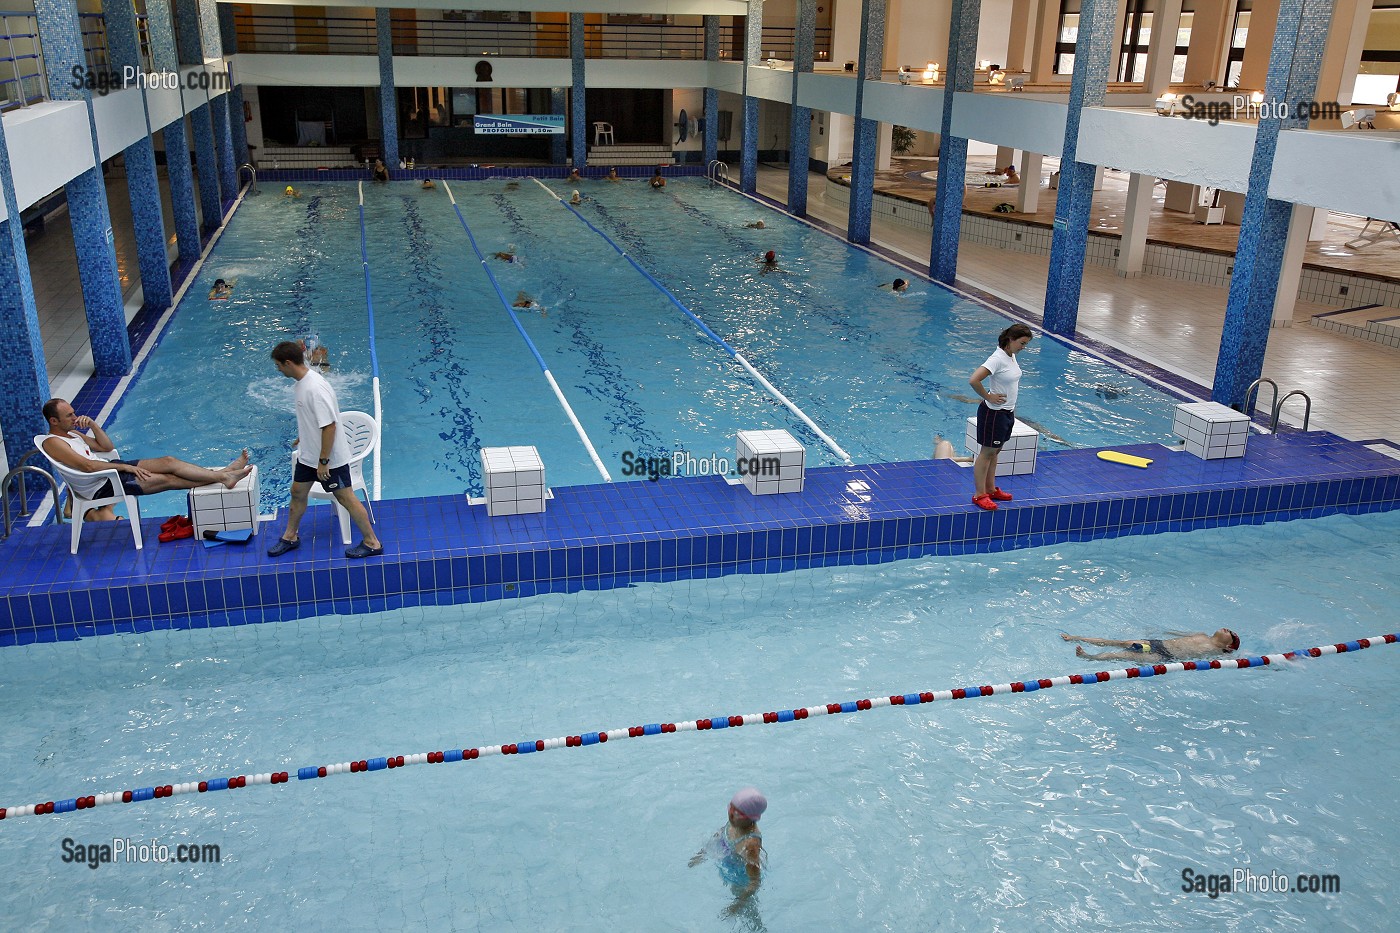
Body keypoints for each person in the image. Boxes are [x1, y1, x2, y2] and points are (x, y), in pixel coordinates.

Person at [40, 399, 252, 525]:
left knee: (169, 461)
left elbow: (105, 447)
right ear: (54, 421)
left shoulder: (73, 434)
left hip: (110, 473)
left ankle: (225, 474)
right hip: (102, 485)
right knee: (169, 479)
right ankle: (225, 476)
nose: (75, 417)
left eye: (74, 413)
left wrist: (93, 425)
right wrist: (124, 466)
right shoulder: (53, 442)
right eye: (69, 415)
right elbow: (88, 466)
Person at [268, 342, 384, 559]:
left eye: (278, 366)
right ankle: (290, 536)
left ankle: (372, 542)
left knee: (346, 498)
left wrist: (323, 461)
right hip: (309, 456)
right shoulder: (301, 383)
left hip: (329, 460)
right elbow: (316, 419)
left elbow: (330, 425)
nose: (278, 370)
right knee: (297, 493)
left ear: (288, 363)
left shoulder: (315, 387)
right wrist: (305, 436)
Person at [968, 323, 1034, 511]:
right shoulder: (997, 358)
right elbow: (974, 379)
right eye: (1022, 343)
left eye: (1025, 344)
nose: (1023, 347)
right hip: (993, 414)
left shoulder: (1010, 355)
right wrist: (988, 396)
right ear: (1010, 340)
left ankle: (990, 489)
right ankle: (979, 495)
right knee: (986, 453)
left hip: (1006, 412)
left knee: (995, 452)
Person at [689, 787, 766, 918]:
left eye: (736, 813)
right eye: (730, 809)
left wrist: (737, 904)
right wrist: (702, 854)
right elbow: (720, 834)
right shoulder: (735, 821)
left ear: (751, 818)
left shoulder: (750, 844)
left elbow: (754, 881)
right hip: (727, 859)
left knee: (748, 913)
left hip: (740, 876)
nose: (730, 815)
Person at [1061, 629, 1241, 662]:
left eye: (1231, 635)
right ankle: (1077, 637)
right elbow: (1175, 633)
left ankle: (1088, 657)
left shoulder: (1218, 652)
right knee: (1119, 643)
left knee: (1120, 655)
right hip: (1157, 644)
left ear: (1229, 647)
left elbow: (1239, 660)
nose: (1229, 630)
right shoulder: (1201, 634)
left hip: (1164, 656)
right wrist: (1158, 632)